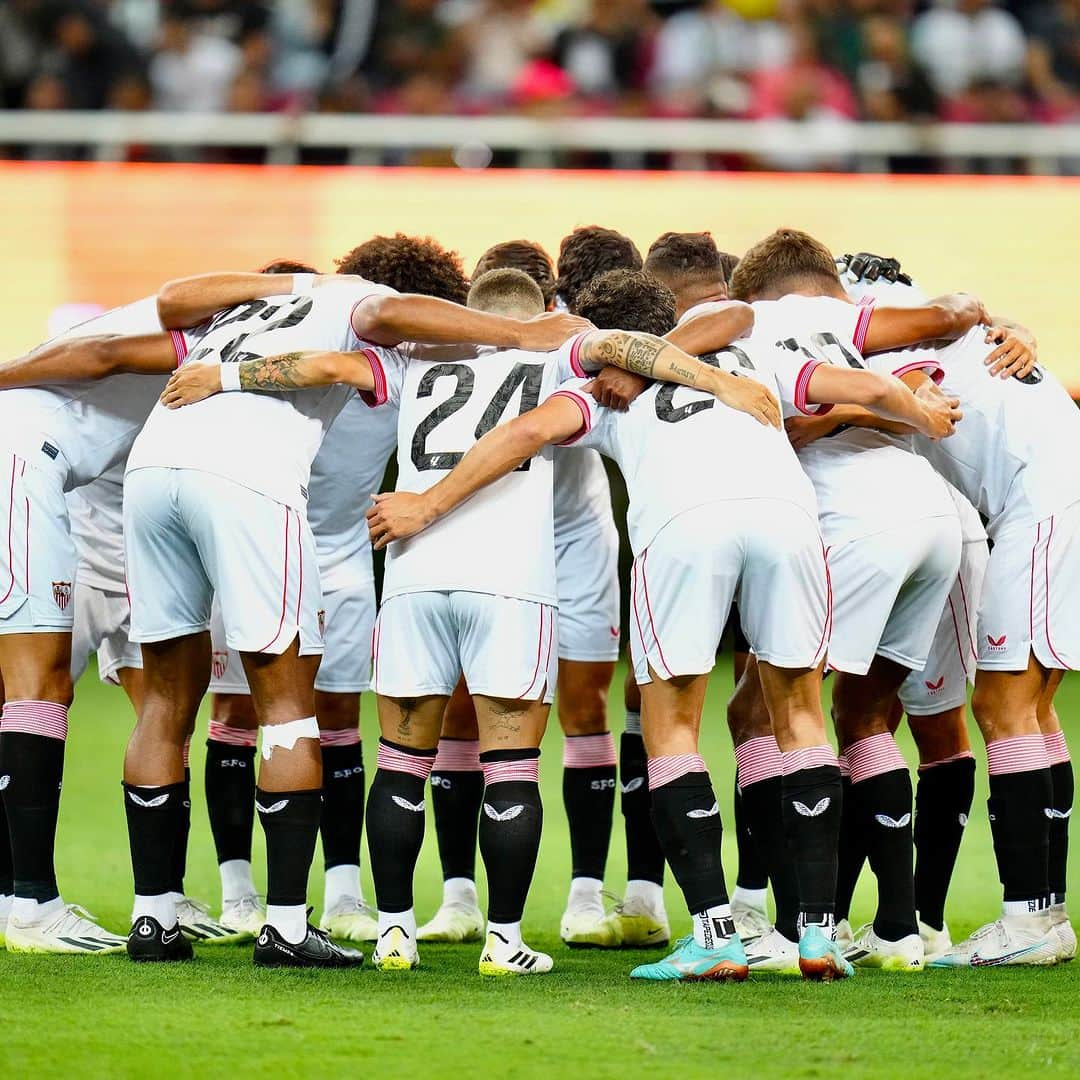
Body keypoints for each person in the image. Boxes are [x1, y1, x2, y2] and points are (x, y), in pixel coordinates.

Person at [371, 265, 945, 983]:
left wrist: (427, 503)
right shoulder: (755, 350)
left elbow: (523, 432)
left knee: (673, 722)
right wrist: (924, 413)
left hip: (685, 525)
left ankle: (714, 934)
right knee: (799, 714)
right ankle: (816, 934)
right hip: (788, 519)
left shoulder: (606, 387)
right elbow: (854, 383)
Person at [127, 261, 587, 967]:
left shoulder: (400, 359)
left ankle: (383, 929)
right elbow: (578, 395)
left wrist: (224, 377)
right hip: (505, 576)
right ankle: (498, 940)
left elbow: (319, 364)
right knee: (504, 764)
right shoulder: (558, 350)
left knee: (394, 759)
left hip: (401, 566)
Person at [0, 274, 298, 953]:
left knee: (99, 699)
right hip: (24, 467)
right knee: (36, 687)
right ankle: (34, 906)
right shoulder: (200, 335)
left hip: (45, 482)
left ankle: (31, 898)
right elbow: (105, 355)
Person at [838, 259, 1080, 967]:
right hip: (1056, 501)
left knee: (1004, 707)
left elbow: (930, 411)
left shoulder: (893, 340)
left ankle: (1026, 921)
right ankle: (1046, 915)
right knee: (1034, 712)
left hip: (1042, 510)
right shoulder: (965, 331)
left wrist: (851, 406)